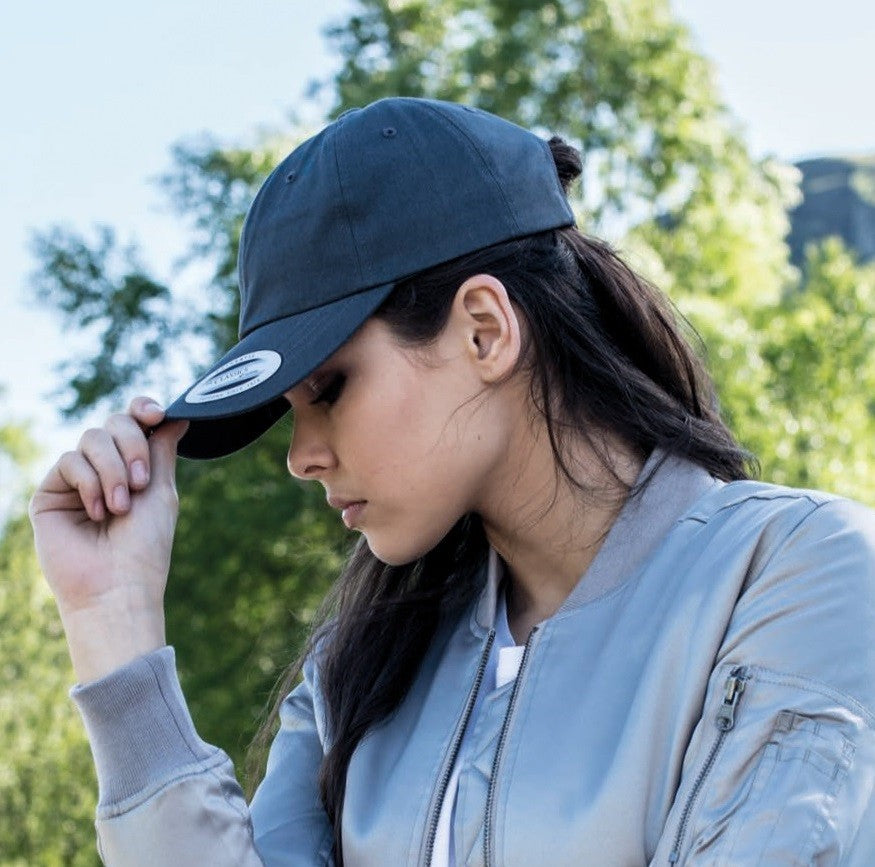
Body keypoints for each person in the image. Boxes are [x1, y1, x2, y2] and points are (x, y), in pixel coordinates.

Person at [29, 97, 875, 866]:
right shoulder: (349, 676)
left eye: (328, 389)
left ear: (483, 330)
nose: (300, 455)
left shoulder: (793, 576)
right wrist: (113, 618)